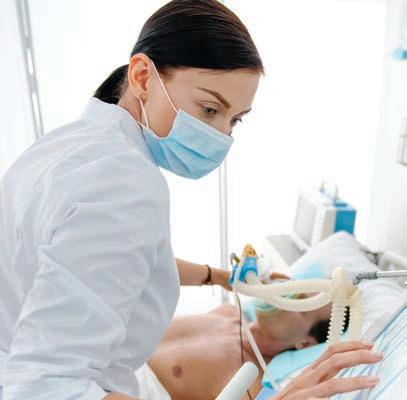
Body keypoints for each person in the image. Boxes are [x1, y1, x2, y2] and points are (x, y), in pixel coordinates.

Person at [0, 1, 382, 399]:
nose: (222, 135)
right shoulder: (125, 183)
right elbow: (44, 388)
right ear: (143, 77)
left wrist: (218, 276)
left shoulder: (67, 148)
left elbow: (114, 259)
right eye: (210, 108)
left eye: (235, 120)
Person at [144, 299, 349, 399]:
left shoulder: (247, 384)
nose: (286, 298)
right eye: (295, 292)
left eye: (301, 308)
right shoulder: (227, 311)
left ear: (304, 343)